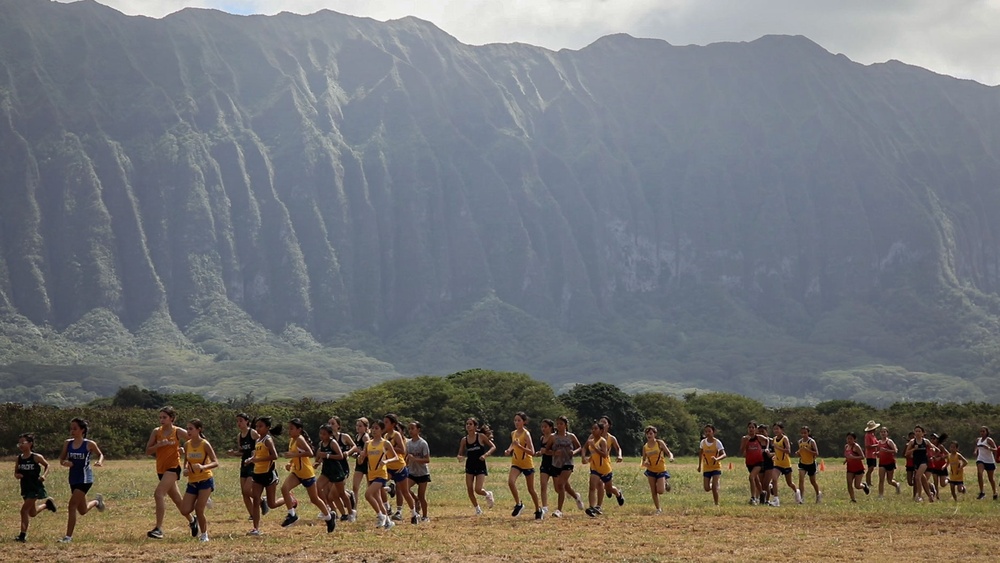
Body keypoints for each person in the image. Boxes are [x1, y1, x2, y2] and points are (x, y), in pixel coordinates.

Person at [144, 406, 193, 539]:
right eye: (160, 417)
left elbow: (195, 440)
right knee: (178, 500)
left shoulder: (177, 431)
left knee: (158, 494)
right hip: (161, 469)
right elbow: (147, 451)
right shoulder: (156, 432)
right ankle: (193, 521)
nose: (161, 420)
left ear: (172, 418)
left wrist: (185, 449)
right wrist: (158, 446)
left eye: (164, 417)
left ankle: (158, 529)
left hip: (173, 467)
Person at [279, 418, 335, 533]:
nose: (289, 431)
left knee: (314, 499)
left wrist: (293, 455)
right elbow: (296, 455)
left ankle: (329, 517)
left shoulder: (300, 439)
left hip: (307, 474)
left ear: (299, 430)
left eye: (291, 428)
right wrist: (290, 463)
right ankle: (291, 514)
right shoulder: (292, 440)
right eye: (289, 428)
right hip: (296, 472)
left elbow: (310, 453)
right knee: (284, 488)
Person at [58, 417, 105, 543]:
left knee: (72, 505)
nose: (72, 431)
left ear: (82, 430)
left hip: (85, 478)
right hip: (73, 478)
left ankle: (68, 537)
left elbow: (100, 454)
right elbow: (61, 459)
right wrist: (65, 463)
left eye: (75, 428)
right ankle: (96, 502)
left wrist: (99, 462)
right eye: (71, 428)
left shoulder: (89, 444)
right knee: (82, 510)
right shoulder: (67, 443)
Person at [244, 417, 290, 536]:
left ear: (267, 428)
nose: (258, 428)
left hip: (269, 475)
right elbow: (256, 455)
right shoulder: (258, 440)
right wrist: (251, 460)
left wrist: (258, 459)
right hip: (257, 474)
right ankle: (256, 528)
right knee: (256, 500)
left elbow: (275, 456)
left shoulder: (268, 440)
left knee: (272, 504)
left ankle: (290, 499)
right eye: (257, 426)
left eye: (260, 426)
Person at [179, 419, 218, 542]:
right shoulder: (187, 444)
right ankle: (204, 501)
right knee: (185, 510)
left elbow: (216, 462)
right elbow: (186, 464)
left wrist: (203, 467)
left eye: (191, 428)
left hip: (205, 480)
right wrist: (185, 470)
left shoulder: (204, 444)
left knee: (198, 509)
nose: (188, 431)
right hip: (192, 481)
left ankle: (204, 535)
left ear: (198, 429)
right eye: (187, 428)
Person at [14, 433, 57, 542]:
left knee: (23, 511)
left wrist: (44, 476)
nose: (20, 445)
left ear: (30, 444)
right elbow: (16, 472)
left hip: (35, 487)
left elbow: (47, 465)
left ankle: (22, 535)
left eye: (23, 443)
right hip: (25, 487)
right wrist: (17, 475)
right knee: (32, 513)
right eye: (19, 443)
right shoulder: (19, 458)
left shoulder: (36, 457)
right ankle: (47, 505)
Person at [358, 419, 398, 529]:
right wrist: (360, 457)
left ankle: (380, 516)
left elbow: (396, 457)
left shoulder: (385, 443)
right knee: (378, 498)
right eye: (373, 428)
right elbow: (362, 459)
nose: (374, 430)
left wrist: (386, 461)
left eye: (377, 428)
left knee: (368, 494)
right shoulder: (368, 443)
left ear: (381, 430)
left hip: (381, 474)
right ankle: (388, 522)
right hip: (371, 473)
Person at [504, 412, 542, 519]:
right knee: (511, 482)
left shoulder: (526, 434)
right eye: (515, 420)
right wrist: (509, 450)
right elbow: (513, 443)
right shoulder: (513, 433)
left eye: (519, 420)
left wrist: (519, 446)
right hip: (516, 462)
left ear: (524, 422)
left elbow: (532, 452)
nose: (516, 422)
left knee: (531, 489)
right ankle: (518, 504)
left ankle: (538, 509)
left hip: (527, 464)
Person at [227, 413, 263, 521]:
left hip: (253, 464)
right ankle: (252, 515)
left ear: (247, 421)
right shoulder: (239, 436)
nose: (239, 423)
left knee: (247, 490)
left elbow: (262, 444)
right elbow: (241, 452)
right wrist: (233, 453)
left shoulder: (252, 433)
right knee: (244, 492)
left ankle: (261, 501)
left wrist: (255, 455)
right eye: (237, 421)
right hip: (244, 464)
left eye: (241, 420)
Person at [457, 418, 496, 515]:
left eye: (470, 424)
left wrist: (485, 455)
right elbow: (460, 453)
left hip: (480, 465)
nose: (468, 426)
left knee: (478, 489)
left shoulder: (481, 436)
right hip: (470, 465)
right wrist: (460, 457)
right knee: (469, 489)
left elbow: (493, 447)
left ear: (475, 426)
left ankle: (488, 494)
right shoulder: (464, 440)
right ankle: (478, 509)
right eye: (467, 424)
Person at [584, 421, 622, 516]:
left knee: (608, 488)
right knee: (592, 486)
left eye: (595, 429)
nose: (593, 430)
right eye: (592, 429)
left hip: (605, 468)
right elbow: (584, 448)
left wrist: (594, 447)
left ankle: (618, 493)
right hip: (595, 467)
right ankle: (592, 507)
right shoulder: (590, 439)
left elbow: (605, 454)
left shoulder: (603, 441)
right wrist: (584, 457)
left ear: (601, 430)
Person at [383, 414, 416, 521]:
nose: (385, 424)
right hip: (389, 466)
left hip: (399, 467)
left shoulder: (396, 435)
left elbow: (403, 450)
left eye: (387, 422)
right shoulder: (385, 437)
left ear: (393, 424)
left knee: (405, 492)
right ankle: (390, 491)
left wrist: (391, 448)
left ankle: (414, 514)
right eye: (384, 422)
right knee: (379, 485)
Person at [550, 416, 585, 517]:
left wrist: (573, 452)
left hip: (568, 463)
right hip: (556, 463)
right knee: (563, 487)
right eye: (558, 424)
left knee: (561, 485)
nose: (559, 426)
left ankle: (559, 510)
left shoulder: (571, 436)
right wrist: (554, 452)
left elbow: (579, 447)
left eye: (561, 424)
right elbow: (546, 450)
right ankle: (576, 496)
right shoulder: (553, 437)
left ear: (565, 425)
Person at [315, 424, 348, 522]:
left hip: (336, 471)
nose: (321, 436)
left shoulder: (333, 442)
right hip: (326, 471)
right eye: (320, 433)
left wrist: (327, 456)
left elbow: (340, 456)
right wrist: (318, 462)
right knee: (317, 487)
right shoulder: (321, 444)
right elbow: (322, 456)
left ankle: (346, 514)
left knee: (340, 494)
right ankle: (330, 510)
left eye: (324, 434)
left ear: (329, 435)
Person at [594, 416, 625, 514]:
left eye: (604, 422)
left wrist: (619, 456)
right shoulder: (595, 436)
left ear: (609, 426)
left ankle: (618, 494)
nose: (602, 423)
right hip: (595, 464)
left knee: (608, 487)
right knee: (599, 484)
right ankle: (598, 507)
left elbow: (618, 448)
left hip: (606, 464)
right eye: (601, 422)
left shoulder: (611, 438)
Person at [329, 417, 357, 521]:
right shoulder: (329, 439)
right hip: (331, 469)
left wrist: (348, 453)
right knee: (335, 494)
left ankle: (350, 513)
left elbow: (354, 446)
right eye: (329, 423)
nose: (330, 426)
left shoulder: (344, 437)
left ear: (338, 426)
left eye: (333, 423)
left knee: (332, 494)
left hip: (342, 469)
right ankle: (344, 514)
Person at [640, 425, 673, 514]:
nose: (649, 435)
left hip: (661, 470)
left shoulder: (659, 443)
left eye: (650, 433)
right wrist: (645, 463)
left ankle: (665, 483)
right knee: (653, 490)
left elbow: (668, 452)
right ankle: (658, 509)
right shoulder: (645, 447)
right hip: (651, 471)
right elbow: (643, 460)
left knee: (660, 491)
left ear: (655, 434)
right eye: (647, 434)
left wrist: (671, 457)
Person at [768, 423, 800, 506]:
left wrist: (777, 447)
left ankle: (797, 491)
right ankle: (776, 500)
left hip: (786, 464)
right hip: (777, 463)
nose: (775, 431)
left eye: (777, 429)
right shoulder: (774, 439)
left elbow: (788, 451)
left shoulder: (784, 438)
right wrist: (774, 455)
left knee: (789, 483)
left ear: (781, 430)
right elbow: (777, 451)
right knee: (774, 480)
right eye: (774, 429)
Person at [406, 421, 431, 523]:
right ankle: (416, 500)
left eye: (413, 428)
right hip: (412, 472)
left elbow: (427, 460)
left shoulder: (423, 443)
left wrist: (415, 459)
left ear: (418, 430)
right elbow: (407, 457)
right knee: (405, 489)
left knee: (422, 496)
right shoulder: (408, 443)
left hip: (423, 473)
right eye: (409, 429)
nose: (411, 431)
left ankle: (425, 516)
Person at [905, 425, 937, 502]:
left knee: (917, 477)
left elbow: (935, 449)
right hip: (916, 462)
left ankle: (919, 496)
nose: (918, 433)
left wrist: (931, 451)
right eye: (916, 431)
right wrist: (913, 449)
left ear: (923, 433)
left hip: (924, 462)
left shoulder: (926, 441)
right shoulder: (912, 442)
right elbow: (906, 453)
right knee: (923, 479)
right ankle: (930, 495)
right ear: (914, 433)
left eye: (919, 431)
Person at [697, 424, 725, 506]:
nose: (707, 433)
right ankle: (714, 485)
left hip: (716, 467)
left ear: (713, 432)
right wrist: (699, 466)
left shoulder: (717, 442)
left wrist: (717, 459)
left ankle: (716, 504)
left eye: (709, 431)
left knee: (714, 488)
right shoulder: (703, 442)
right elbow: (700, 454)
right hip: (706, 468)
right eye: (706, 431)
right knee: (706, 488)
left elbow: (724, 454)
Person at [351, 418, 371, 516]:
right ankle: (354, 510)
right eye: (357, 425)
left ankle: (384, 507)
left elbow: (367, 452)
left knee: (371, 488)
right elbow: (358, 450)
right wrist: (356, 453)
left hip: (367, 464)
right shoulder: (357, 436)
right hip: (359, 464)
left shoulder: (365, 437)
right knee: (355, 487)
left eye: (360, 426)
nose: (358, 428)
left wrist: (359, 453)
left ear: (365, 427)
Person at [740, 422, 764, 505]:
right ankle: (762, 493)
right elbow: (741, 451)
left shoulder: (759, 438)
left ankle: (753, 498)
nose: (751, 429)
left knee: (751, 477)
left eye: (753, 427)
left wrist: (767, 449)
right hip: (749, 462)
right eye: (749, 427)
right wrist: (745, 442)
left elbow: (768, 440)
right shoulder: (744, 438)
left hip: (759, 462)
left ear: (756, 429)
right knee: (756, 480)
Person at [536, 419, 555, 517]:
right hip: (545, 464)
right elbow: (542, 451)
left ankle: (572, 494)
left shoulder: (555, 437)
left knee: (558, 488)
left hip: (555, 464)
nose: (543, 429)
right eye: (542, 427)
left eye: (545, 427)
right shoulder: (542, 438)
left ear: (550, 427)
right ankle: (545, 507)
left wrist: (546, 452)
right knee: (543, 486)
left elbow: (557, 453)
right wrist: (539, 453)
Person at [796, 426, 821, 503]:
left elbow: (816, 453)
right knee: (801, 480)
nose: (803, 434)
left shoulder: (811, 441)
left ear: (808, 433)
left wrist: (807, 450)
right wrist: (798, 453)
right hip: (802, 463)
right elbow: (800, 453)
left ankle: (818, 494)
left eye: (805, 433)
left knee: (812, 481)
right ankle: (801, 498)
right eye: (802, 433)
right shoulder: (800, 442)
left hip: (811, 463)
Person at [876, 427, 902, 498]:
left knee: (889, 481)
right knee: (881, 479)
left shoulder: (889, 441)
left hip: (890, 462)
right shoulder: (879, 442)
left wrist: (887, 450)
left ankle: (897, 485)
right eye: (882, 432)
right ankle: (880, 495)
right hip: (882, 463)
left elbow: (895, 450)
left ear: (887, 433)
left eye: (884, 432)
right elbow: (880, 451)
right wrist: (877, 453)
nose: (883, 433)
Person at [844, 432, 870, 502]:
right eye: (848, 438)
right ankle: (853, 499)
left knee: (857, 486)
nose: (849, 440)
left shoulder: (856, 446)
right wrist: (846, 460)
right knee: (849, 483)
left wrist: (854, 457)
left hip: (858, 468)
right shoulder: (846, 446)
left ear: (854, 439)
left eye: (851, 439)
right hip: (850, 468)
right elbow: (847, 455)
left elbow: (862, 457)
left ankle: (864, 486)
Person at [974, 426, 998, 500]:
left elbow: (996, 449)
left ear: (987, 432)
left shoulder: (989, 440)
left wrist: (989, 448)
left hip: (989, 461)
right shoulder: (978, 439)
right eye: (981, 431)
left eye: (983, 431)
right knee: (979, 473)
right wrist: (975, 451)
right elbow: (977, 446)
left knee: (991, 478)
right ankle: (982, 492)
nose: (982, 433)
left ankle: (994, 492)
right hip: (980, 459)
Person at [863, 420, 880, 488]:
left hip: (873, 455)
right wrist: (877, 445)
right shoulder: (867, 436)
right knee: (870, 468)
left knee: (872, 468)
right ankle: (868, 482)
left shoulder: (873, 435)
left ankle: (869, 482)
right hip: (869, 455)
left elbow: (877, 442)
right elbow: (868, 446)